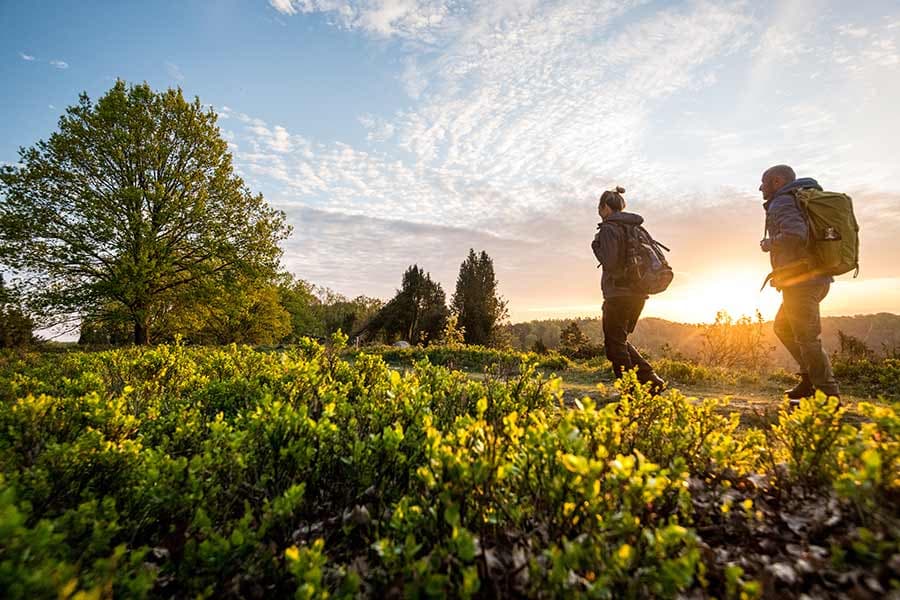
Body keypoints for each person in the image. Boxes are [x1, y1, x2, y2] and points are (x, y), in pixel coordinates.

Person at [758, 165, 840, 403]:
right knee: (783, 327)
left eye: (763, 182)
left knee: (807, 338)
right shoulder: (797, 199)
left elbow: (796, 234)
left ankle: (828, 395)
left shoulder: (782, 201)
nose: (760, 188)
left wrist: (769, 244)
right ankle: (808, 381)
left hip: (803, 281)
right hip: (813, 279)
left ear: (776, 181)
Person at [591, 186, 667, 394]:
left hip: (618, 293)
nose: (598, 210)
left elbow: (611, 262)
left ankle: (630, 393)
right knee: (619, 340)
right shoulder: (636, 228)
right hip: (639, 293)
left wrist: (595, 246)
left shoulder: (609, 228)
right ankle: (651, 380)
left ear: (606, 207)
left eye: (600, 206)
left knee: (614, 346)